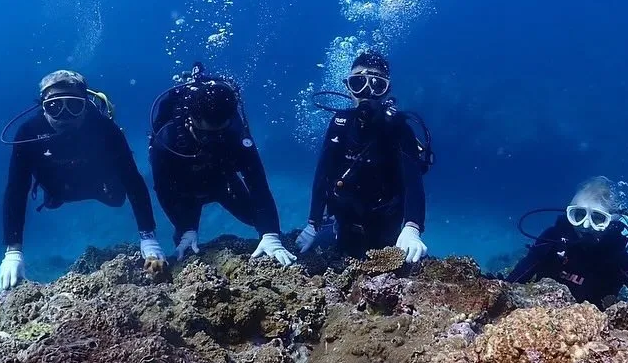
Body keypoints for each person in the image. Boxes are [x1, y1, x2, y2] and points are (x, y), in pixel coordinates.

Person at [0, 70, 166, 292]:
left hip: (101, 186)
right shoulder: (28, 132)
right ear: (42, 106)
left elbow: (132, 179)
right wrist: (13, 251)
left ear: (86, 105)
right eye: (55, 106)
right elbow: (16, 189)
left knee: (117, 197)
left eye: (74, 105)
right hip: (58, 190)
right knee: (54, 198)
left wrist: (148, 237)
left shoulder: (105, 128)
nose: (64, 116)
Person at [148, 63, 296, 266]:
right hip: (185, 190)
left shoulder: (236, 133)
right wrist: (186, 227)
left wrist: (271, 234)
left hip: (224, 182)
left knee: (260, 221)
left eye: (220, 132)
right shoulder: (168, 139)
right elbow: (163, 189)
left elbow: (258, 184)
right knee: (186, 245)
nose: (213, 140)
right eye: (206, 134)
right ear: (191, 120)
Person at [296, 51, 429, 262]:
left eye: (377, 85)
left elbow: (413, 182)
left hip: (385, 225)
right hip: (343, 220)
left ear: (386, 91)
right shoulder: (339, 124)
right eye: (358, 83)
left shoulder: (399, 129)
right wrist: (313, 223)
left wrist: (412, 227)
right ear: (349, 88)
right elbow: (323, 174)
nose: (366, 92)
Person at [507, 176, 628, 307]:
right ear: (569, 212)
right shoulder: (553, 237)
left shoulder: (615, 254)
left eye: (597, 218)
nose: (585, 225)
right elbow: (519, 274)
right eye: (579, 215)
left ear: (611, 221)